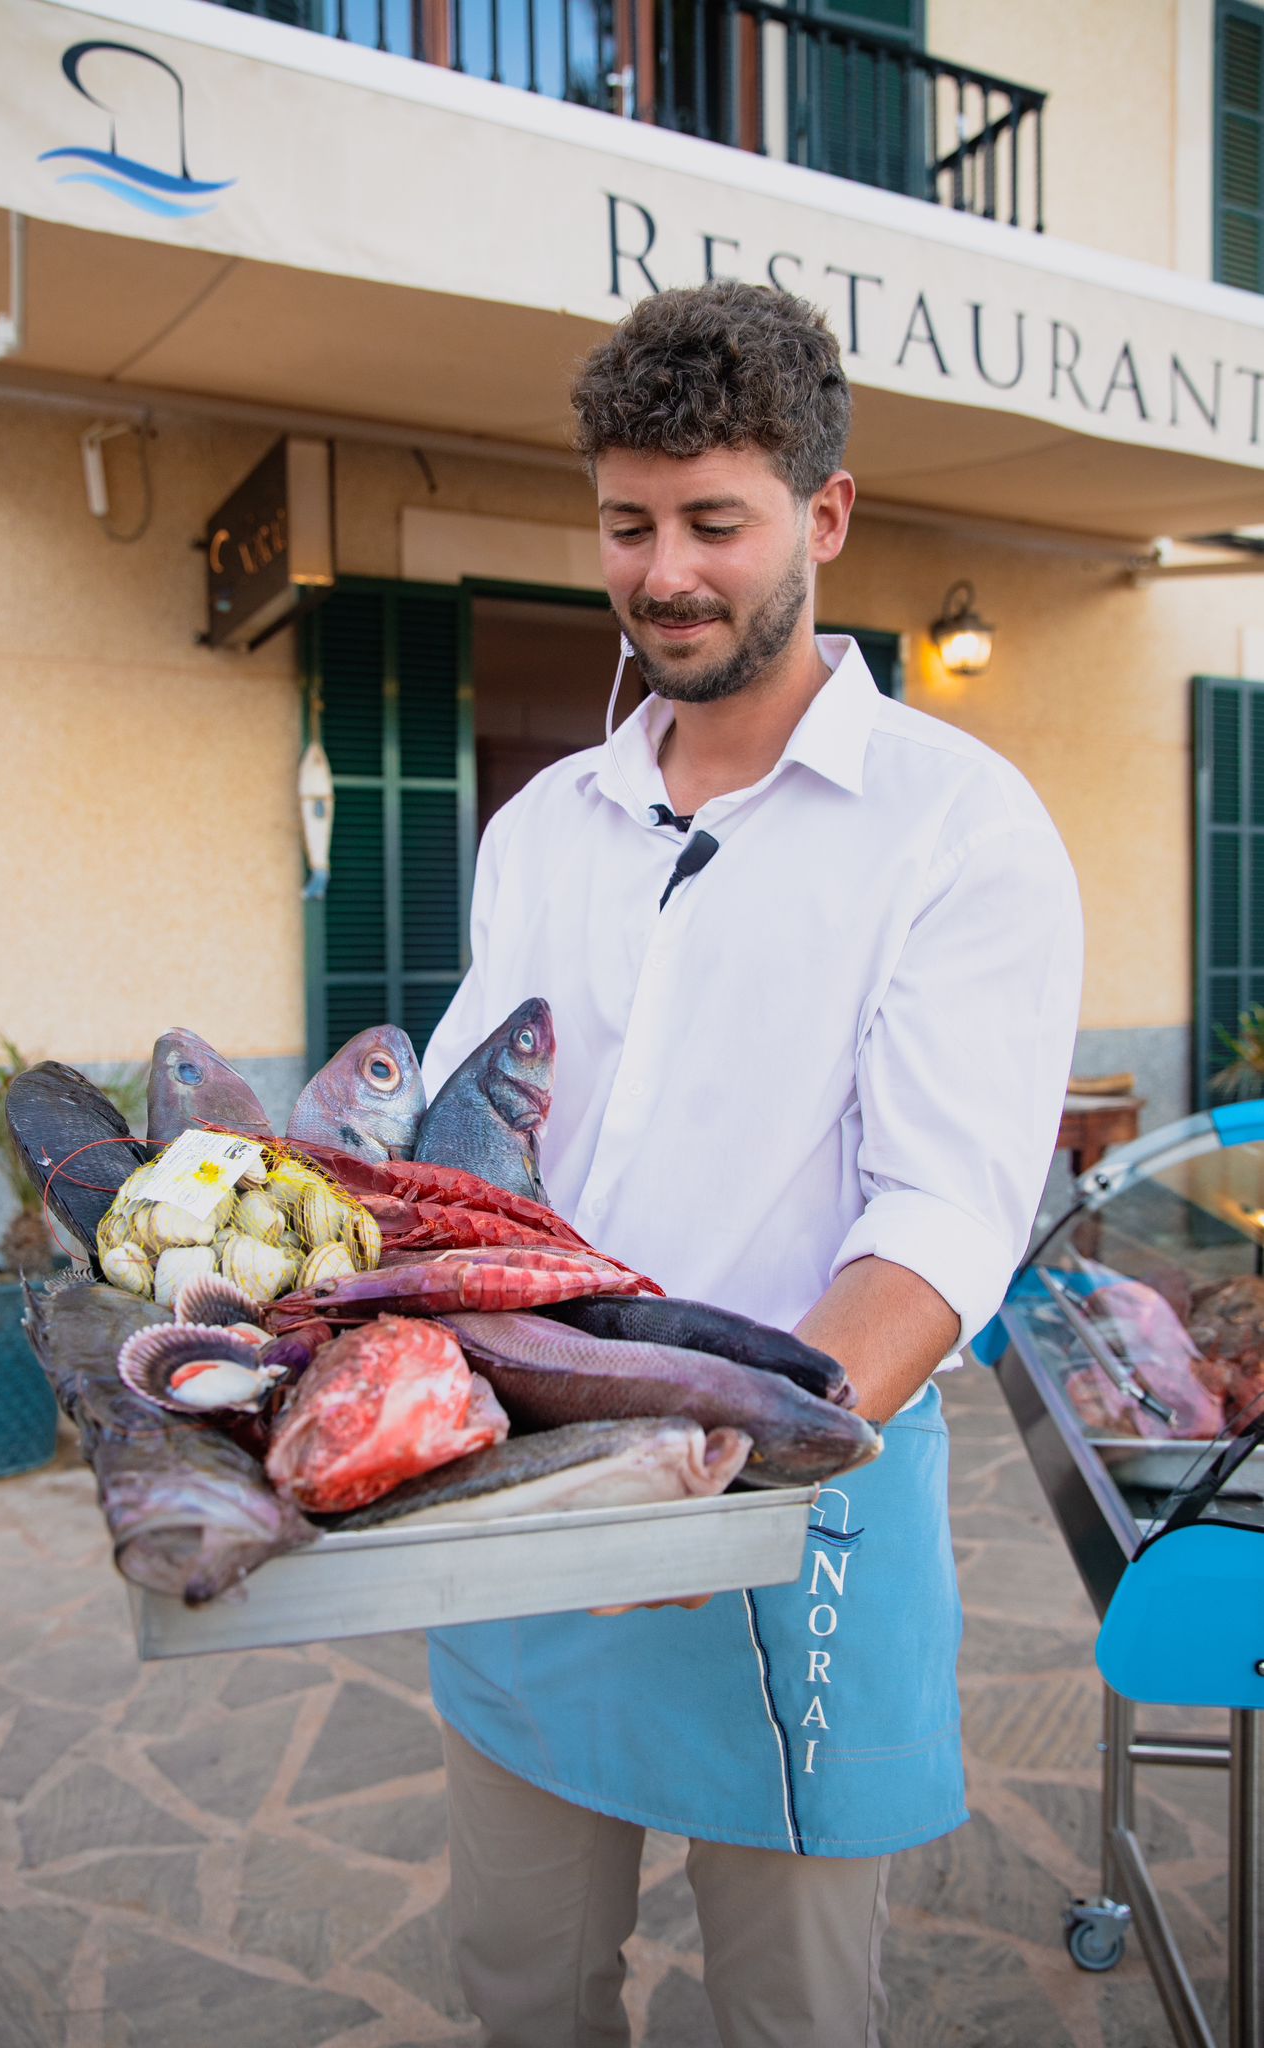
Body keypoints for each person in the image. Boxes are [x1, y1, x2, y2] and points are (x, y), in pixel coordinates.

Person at [420, 280, 1083, 2048]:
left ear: (825, 516)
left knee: (787, 2011)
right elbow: (474, 1142)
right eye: (628, 525)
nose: (665, 572)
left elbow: (944, 1216)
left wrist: (719, 1464)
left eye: (716, 520)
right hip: (532, 1496)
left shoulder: (958, 826)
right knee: (521, 1980)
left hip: (794, 1499)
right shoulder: (541, 827)